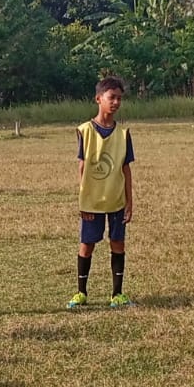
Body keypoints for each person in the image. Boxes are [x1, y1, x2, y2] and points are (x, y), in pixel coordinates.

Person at [67, 76, 136, 309]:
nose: (115, 102)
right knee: (87, 244)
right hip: (92, 201)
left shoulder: (124, 134)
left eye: (119, 98)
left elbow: (126, 169)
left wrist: (130, 201)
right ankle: (81, 292)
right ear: (98, 99)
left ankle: (117, 294)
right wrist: (83, 199)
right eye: (111, 97)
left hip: (116, 199)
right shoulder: (84, 131)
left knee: (118, 243)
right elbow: (82, 165)